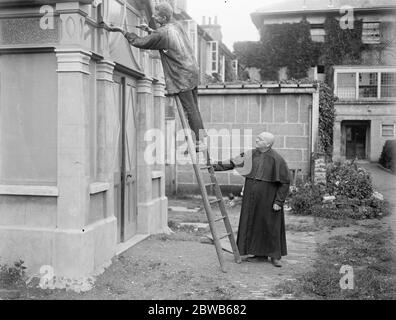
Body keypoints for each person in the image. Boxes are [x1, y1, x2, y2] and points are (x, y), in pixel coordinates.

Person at [102, 2, 207, 151]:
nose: (152, 15)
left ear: (163, 17)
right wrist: (151, 30)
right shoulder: (176, 26)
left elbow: (139, 42)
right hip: (192, 70)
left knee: (189, 109)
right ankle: (201, 139)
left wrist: (121, 30)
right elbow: (166, 38)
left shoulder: (162, 33)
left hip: (182, 74)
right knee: (194, 108)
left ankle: (199, 142)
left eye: (156, 14)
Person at [213, 132, 290, 267]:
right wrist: (214, 166)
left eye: (260, 139)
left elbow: (284, 183)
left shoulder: (277, 159)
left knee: (270, 225)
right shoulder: (250, 154)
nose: (256, 140)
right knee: (252, 223)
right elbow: (233, 162)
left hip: (268, 198)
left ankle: (275, 256)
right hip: (251, 197)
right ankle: (257, 254)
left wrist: (279, 201)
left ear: (267, 144)